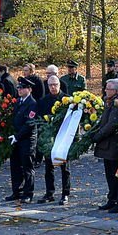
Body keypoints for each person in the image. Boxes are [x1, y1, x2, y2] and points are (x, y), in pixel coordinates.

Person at [92, 78, 118, 212]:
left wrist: (98, 135)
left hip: (115, 144)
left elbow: (112, 124)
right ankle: (112, 199)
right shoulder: (110, 100)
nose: (105, 90)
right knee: (110, 174)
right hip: (107, 144)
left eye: (108, 88)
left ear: (115, 90)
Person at [37, 75, 71, 205]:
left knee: (64, 168)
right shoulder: (43, 101)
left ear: (59, 85)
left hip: (63, 138)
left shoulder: (67, 100)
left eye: (55, 84)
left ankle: (65, 193)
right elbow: (40, 120)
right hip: (49, 138)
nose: (53, 87)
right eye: (50, 85)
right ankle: (49, 193)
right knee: (48, 168)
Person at [7, 77, 39, 203]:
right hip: (16, 139)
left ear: (29, 89)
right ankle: (17, 191)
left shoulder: (32, 104)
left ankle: (28, 193)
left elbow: (29, 123)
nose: (19, 90)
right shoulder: (18, 101)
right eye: (19, 88)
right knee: (15, 166)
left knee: (27, 167)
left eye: (22, 88)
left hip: (27, 140)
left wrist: (17, 136)